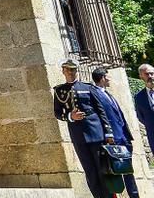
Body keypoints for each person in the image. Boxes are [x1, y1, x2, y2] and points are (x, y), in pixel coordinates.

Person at [54, 58, 113, 198]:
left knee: (102, 169)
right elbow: (57, 112)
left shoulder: (88, 87)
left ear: (77, 70)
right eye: (67, 69)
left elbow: (100, 111)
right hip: (78, 136)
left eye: (73, 69)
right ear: (63, 71)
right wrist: (70, 116)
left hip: (96, 133)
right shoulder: (59, 90)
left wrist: (108, 132)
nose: (70, 72)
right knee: (90, 172)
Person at [91, 66, 140, 198]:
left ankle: (134, 196)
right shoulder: (95, 94)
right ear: (102, 78)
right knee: (113, 171)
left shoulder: (109, 94)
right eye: (107, 76)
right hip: (112, 139)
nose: (110, 79)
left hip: (124, 137)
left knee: (128, 171)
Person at [132, 63, 154, 158]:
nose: (150, 76)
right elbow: (140, 116)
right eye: (147, 74)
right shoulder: (139, 97)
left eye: (152, 73)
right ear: (141, 76)